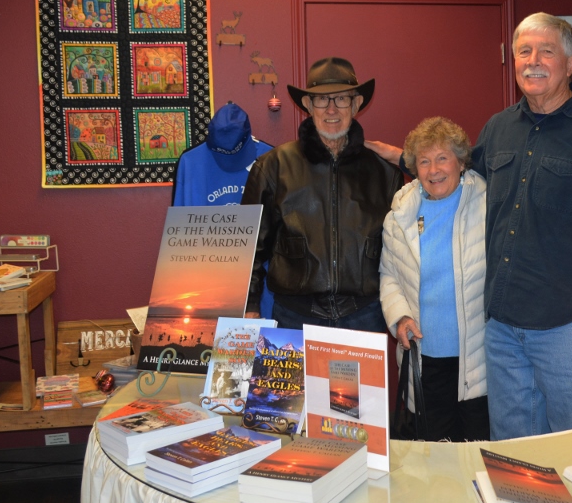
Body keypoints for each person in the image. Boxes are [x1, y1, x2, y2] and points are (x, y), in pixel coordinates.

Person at [367, 12, 572, 440]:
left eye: (546, 51)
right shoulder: (499, 130)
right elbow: (452, 177)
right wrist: (407, 159)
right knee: (515, 464)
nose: (533, 60)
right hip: (501, 336)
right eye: (524, 51)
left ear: (571, 63)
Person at [242, 57, 403, 333]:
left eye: (341, 99)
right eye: (321, 99)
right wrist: (249, 306)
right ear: (307, 105)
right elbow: (250, 247)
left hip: (364, 317)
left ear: (356, 104)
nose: (331, 109)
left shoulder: (385, 173)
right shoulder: (273, 167)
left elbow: (404, 252)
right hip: (294, 317)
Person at [380, 117, 489, 442]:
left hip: (477, 357)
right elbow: (389, 275)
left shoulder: (487, 204)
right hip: (423, 357)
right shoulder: (400, 214)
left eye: (442, 158)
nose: (433, 170)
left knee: (477, 451)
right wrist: (399, 317)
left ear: (460, 161)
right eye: (424, 161)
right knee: (433, 459)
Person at [172, 102, 276, 318]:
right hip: (208, 283)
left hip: (260, 282)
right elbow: (180, 242)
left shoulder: (272, 159)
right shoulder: (189, 162)